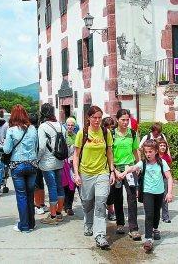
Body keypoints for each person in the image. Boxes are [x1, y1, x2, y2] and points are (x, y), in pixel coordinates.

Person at [73, 106, 115, 250]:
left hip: (102, 173)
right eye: (94, 117)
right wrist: (76, 174)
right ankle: (88, 223)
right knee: (87, 202)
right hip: (85, 173)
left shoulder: (106, 132)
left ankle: (100, 235)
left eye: (99, 118)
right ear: (88, 118)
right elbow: (76, 155)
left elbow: (109, 153)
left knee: (101, 201)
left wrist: (112, 171)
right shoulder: (82, 133)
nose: (97, 120)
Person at [120, 140, 174, 253]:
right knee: (149, 214)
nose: (148, 154)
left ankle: (155, 229)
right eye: (146, 152)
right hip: (147, 192)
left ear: (156, 151)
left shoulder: (161, 162)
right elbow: (133, 168)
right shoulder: (143, 163)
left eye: (150, 152)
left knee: (156, 214)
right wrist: (124, 173)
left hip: (159, 192)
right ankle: (148, 239)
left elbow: (169, 177)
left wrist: (169, 193)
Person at [3, 104, 39, 232]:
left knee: (21, 196)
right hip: (32, 164)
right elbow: (37, 147)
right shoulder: (33, 129)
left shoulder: (11, 130)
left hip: (17, 165)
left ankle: (23, 225)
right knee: (30, 195)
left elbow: (6, 150)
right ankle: (31, 223)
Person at [108, 109, 141, 240]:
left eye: (127, 120)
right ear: (117, 120)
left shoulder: (132, 133)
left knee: (132, 198)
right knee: (117, 197)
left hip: (130, 168)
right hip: (116, 169)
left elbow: (135, 150)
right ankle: (120, 224)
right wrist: (114, 170)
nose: (125, 122)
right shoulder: (111, 134)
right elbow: (109, 153)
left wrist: (138, 165)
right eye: (123, 120)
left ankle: (133, 228)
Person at [37, 103, 65, 225]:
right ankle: (59, 213)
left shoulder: (43, 127)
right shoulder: (61, 126)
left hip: (47, 163)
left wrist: (37, 159)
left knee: (52, 187)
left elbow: (42, 146)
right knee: (59, 186)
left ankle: (52, 216)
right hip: (59, 161)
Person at [30, 112, 48, 215]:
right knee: (40, 182)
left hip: (35, 159)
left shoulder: (31, 131)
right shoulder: (41, 129)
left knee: (35, 183)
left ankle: (38, 205)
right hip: (43, 159)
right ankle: (42, 204)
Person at [101, 116, 117, 222]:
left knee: (112, 190)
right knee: (102, 191)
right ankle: (102, 211)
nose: (109, 129)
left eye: (111, 127)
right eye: (107, 126)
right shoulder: (102, 135)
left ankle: (111, 211)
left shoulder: (115, 136)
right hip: (103, 166)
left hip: (114, 165)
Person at [62, 117, 77, 216]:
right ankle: (63, 204)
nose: (70, 127)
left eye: (72, 125)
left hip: (72, 164)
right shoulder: (63, 135)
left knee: (72, 185)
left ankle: (69, 206)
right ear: (66, 125)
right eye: (68, 125)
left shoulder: (77, 136)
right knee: (64, 185)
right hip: (63, 163)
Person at [158, 140, 173, 223]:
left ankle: (165, 216)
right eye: (161, 145)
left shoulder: (167, 157)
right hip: (155, 179)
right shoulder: (154, 156)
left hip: (164, 179)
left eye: (164, 146)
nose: (163, 147)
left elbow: (169, 170)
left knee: (165, 197)